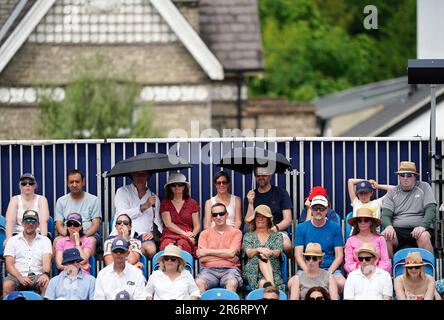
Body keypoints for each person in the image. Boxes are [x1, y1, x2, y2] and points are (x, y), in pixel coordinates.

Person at [381, 161, 437, 257]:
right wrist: (388, 226)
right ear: (399, 176)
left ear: (415, 176)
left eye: (409, 175)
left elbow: (431, 209)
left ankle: (429, 270)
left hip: (419, 227)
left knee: (423, 236)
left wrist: (422, 226)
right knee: (384, 237)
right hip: (398, 230)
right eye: (402, 175)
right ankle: (388, 269)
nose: (405, 178)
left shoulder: (424, 187)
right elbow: (385, 214)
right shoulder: (392, 192)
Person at [294, 195, 346, 291]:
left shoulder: (335, 228)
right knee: (291, 284)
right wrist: (307, 271)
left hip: (329, 268)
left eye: (321, 208)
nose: (318, 211)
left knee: (343, 284)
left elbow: (339, 255)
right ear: (311, 210)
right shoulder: (301, 228)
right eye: (315, 208)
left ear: (326, 210)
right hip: (307, 268)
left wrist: (328, 273)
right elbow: (298, 255)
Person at [244, 164, 293, 255]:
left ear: (270, 175)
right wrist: (250, 203)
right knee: (244, 247)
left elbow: (288, 219)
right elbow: (247, 222)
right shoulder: (251, 195)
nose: (261, 177)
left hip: (276, 230)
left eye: (264, 175)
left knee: (287, 246)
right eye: (258, 175)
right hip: (256, 232)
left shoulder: (281, 193)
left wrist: (275, 228)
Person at [113, 170, 162, 259]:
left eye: (143, 174)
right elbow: (122, 215)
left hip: (144, 236)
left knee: (151, 250)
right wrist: (144, 206)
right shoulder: (122, 191)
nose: (140, 177)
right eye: (136, 174)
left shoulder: (154, 198)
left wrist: (153, 233)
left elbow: (158, 221)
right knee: (139, 250)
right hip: (123, 233)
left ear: (148, 176)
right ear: (132, 175)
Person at [195, 202, 243, 293]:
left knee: (232, 283)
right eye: (215, 214)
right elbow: (203, 259)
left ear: (227, 215)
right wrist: (228, 256)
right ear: (212, 217)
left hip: (230, 270)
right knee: (199, 282)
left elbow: (231, 253)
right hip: (208, 270)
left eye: (221, 214)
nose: (218, 217)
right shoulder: (204, 234)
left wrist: (207, 251)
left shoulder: (236, 232)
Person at [2, 210, 52, 296]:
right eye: (27, 221)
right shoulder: (12, 240)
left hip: (37, 275)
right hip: (16, 276)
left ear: (38, 224)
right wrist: (20, 277)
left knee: (46, 284)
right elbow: (9, 265)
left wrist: (45, 274)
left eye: (33, 221)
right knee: (7, 285)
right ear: (22, 223)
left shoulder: (45, 240)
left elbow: (47, 261)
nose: (30, 224)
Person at [54, 169, 101, 255]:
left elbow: (95, 225)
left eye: (77, 182)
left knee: (91, 241)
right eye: (71, 182)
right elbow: (59, 225)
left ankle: (89, 267)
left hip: (88, 234)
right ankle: (58, 267)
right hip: (67, 234)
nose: (74, 185)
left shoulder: (93, 200)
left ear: (83, 182)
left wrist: (82, 236)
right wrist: (69, 236)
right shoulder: (61, 201)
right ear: (67, 184)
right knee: (57, 241)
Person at [242, 205, 285, 291]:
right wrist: (259, 249)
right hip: (253, 271)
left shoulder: (277, 235)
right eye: (257, 216)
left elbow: (277, 252)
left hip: (272, 270)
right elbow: (248, 253)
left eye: (263, 217)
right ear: (254, 219)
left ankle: (271, 287)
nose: (260, 219)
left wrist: (270, 252)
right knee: (262, 257)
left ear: (269, 220)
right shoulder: (248, 236)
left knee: (264, 284)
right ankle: (273, 289)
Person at [160, 173, 200, 256]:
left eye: (180, 184)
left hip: (187, 236)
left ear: (184, 186)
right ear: (170, 187)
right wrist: (184, 233)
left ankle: (183, 268)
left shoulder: (192, 203)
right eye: (174, 185)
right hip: (169, 235)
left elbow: (197, 225)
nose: (177, 187)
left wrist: (192, 235)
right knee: (167, 247)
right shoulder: (165, 203)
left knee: (183, 245)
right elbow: (168, 224)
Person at [4, 173, 50, 246]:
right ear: (20, 186)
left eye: (31, 183)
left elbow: (43, 222)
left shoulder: (42, 199)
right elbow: (9, 222)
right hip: (17, 236)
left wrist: (44, 240)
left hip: (37, 235)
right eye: (24, 183)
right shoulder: (15, 200)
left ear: (35, 186)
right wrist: (8, 240)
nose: (27, 185)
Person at [344, 207, 391, 274]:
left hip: (377, 275)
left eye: (366, 220)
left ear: (371, 222)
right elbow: (349, 263)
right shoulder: (350, 241)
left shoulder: (380, 239)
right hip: (357, 275)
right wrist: (361, 272)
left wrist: (375, 272)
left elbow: (385, 261)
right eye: (359, 221)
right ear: (357, 223)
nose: (362, 223)